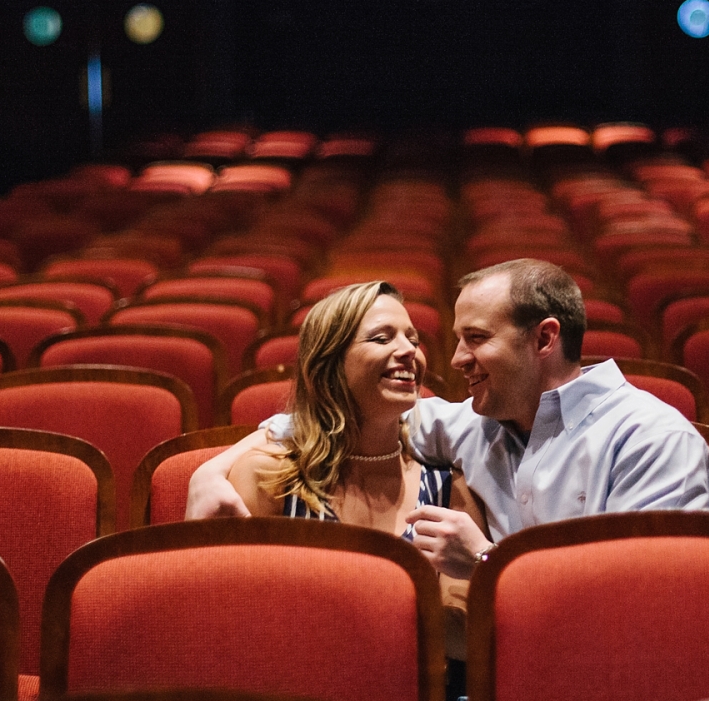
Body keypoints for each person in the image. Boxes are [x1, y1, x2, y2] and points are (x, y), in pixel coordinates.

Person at [188, 260, 709, 701]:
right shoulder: (480, 424)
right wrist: (211, 469)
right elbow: (341, 412)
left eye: (475, 339)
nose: (455, 359)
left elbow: (652, 624)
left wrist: (488, 562)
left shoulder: (651, 442)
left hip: (627, 694)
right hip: (518, 690)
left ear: (544, 338)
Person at [187, 280, 488, 663]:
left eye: (412, 339)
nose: (408, 351)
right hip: (294, 694)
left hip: (424, 698)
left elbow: (462, 642)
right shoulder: (268, 477)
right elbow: (230, 620)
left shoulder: (449, 485)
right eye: (382, 338)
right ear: (330, 363)